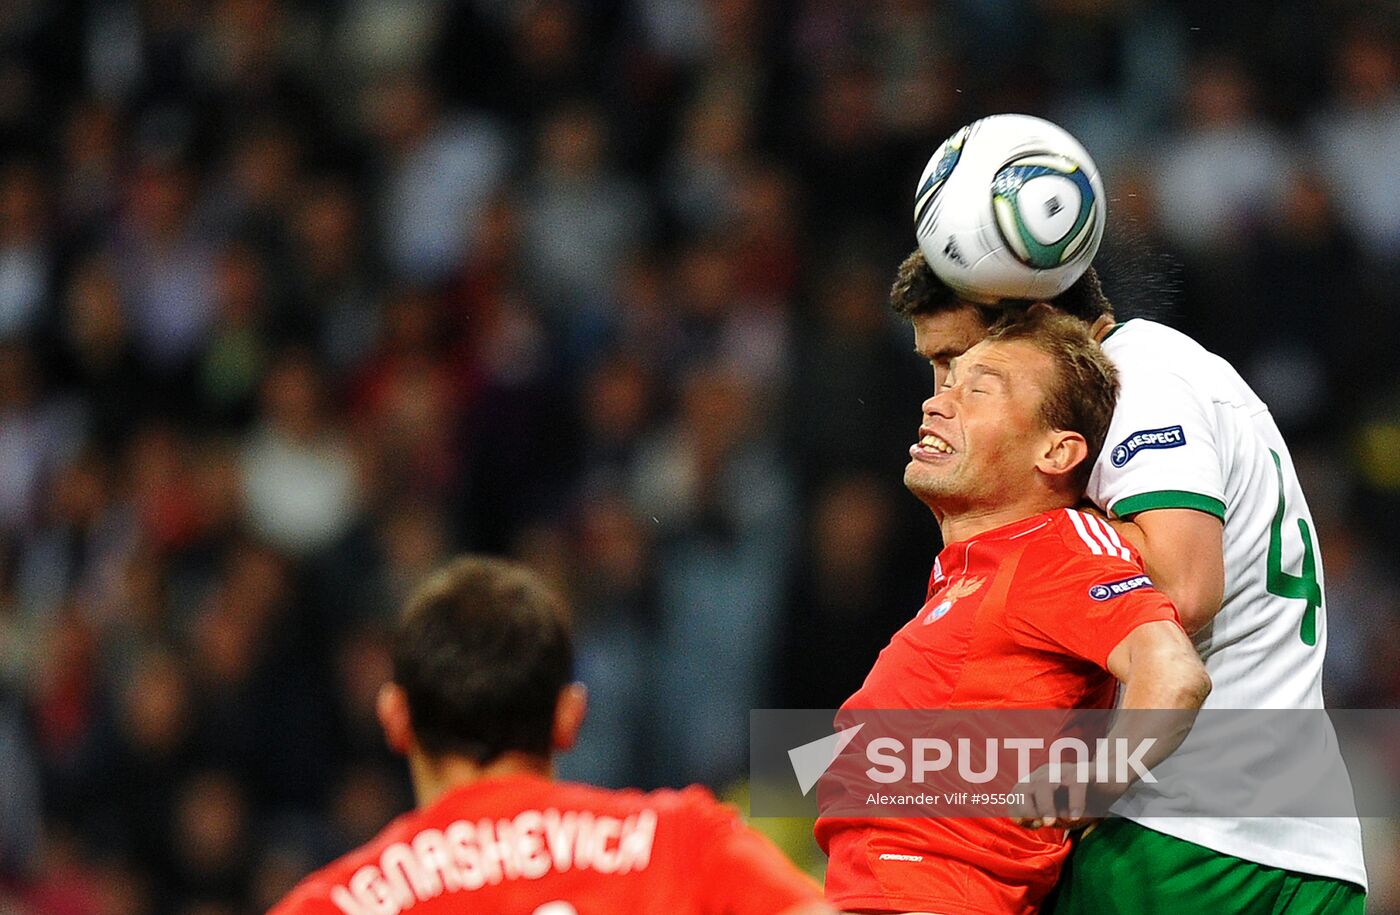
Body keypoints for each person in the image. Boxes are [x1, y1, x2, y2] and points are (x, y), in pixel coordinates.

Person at [889, 251, 1368, 913]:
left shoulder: (1137, 377)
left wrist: (1097, 780)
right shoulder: (1166, 375)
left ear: (1035, 319)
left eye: (963, 363)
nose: (940, 392)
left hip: (1176, 836)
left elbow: (1183, 589)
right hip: (1296, 839)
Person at [814, 312, 1212, 914]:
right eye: (945, 385)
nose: (936, 404)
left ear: (1057, 451)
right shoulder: (968, 574)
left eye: (978, 389)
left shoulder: (1056, 547)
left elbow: (1176, 674)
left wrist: (1097, 779)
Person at [268, 555, 831, 915]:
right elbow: (901, 763)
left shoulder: (331, 902)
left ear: (394, 717)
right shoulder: (681, 841)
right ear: (569, 716)